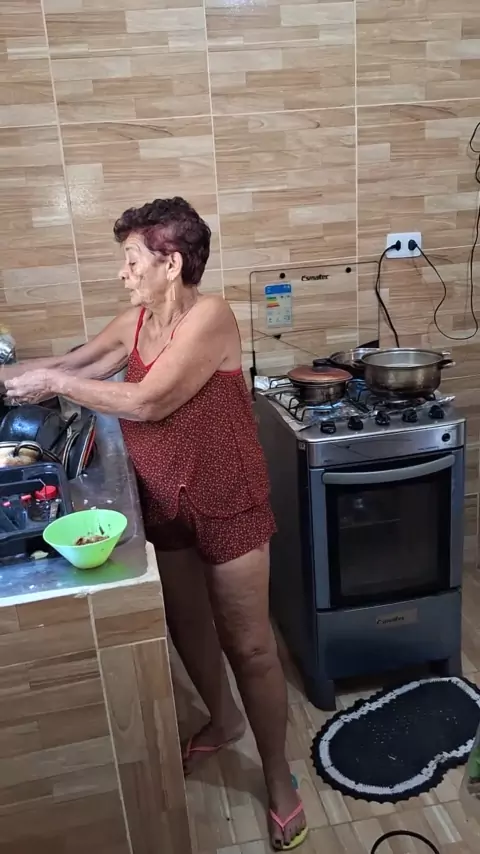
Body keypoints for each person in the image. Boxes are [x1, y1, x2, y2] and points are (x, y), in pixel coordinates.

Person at [2, 198, 307, 851]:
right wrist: (17, 377)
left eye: (132, 259)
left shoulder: (210, 317)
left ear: (171, 264)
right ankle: (223, 720)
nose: (123, 272)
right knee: (186, 622)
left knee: (249, 645)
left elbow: (146, 401)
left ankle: (278, 777)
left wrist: (55, 380)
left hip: (226, 497)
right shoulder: (136, 321)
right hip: (164, 498)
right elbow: (74, 365)